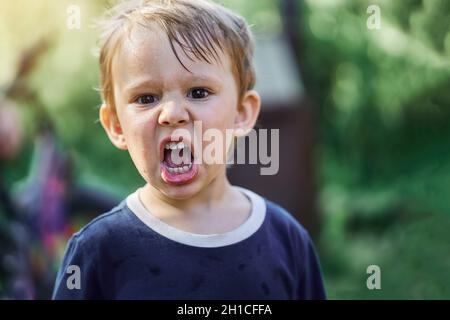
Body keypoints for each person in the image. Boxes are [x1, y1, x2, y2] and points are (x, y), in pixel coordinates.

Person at [52, 0, 326, 299]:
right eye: (146, 98)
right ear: (116, 124)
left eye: (198, 92)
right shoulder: (99, 251)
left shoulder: (287, 241)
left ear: (242, 113)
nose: (172, 113)